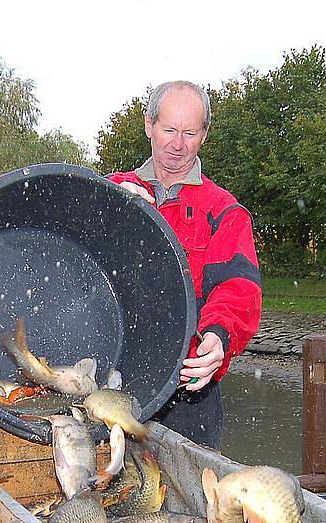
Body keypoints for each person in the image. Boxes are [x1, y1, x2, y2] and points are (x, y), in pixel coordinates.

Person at [106, 81, 262, 448]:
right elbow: (64, 254)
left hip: (189, 391)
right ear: (149, 125)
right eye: (169, 130)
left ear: (204, 135)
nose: (177, 144)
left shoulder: (225, 211)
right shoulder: (111, 189)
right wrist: (110, 208)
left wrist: (219, 335)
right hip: (111, 380)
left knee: (190, 501)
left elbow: (238, 289)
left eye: (190, 133)